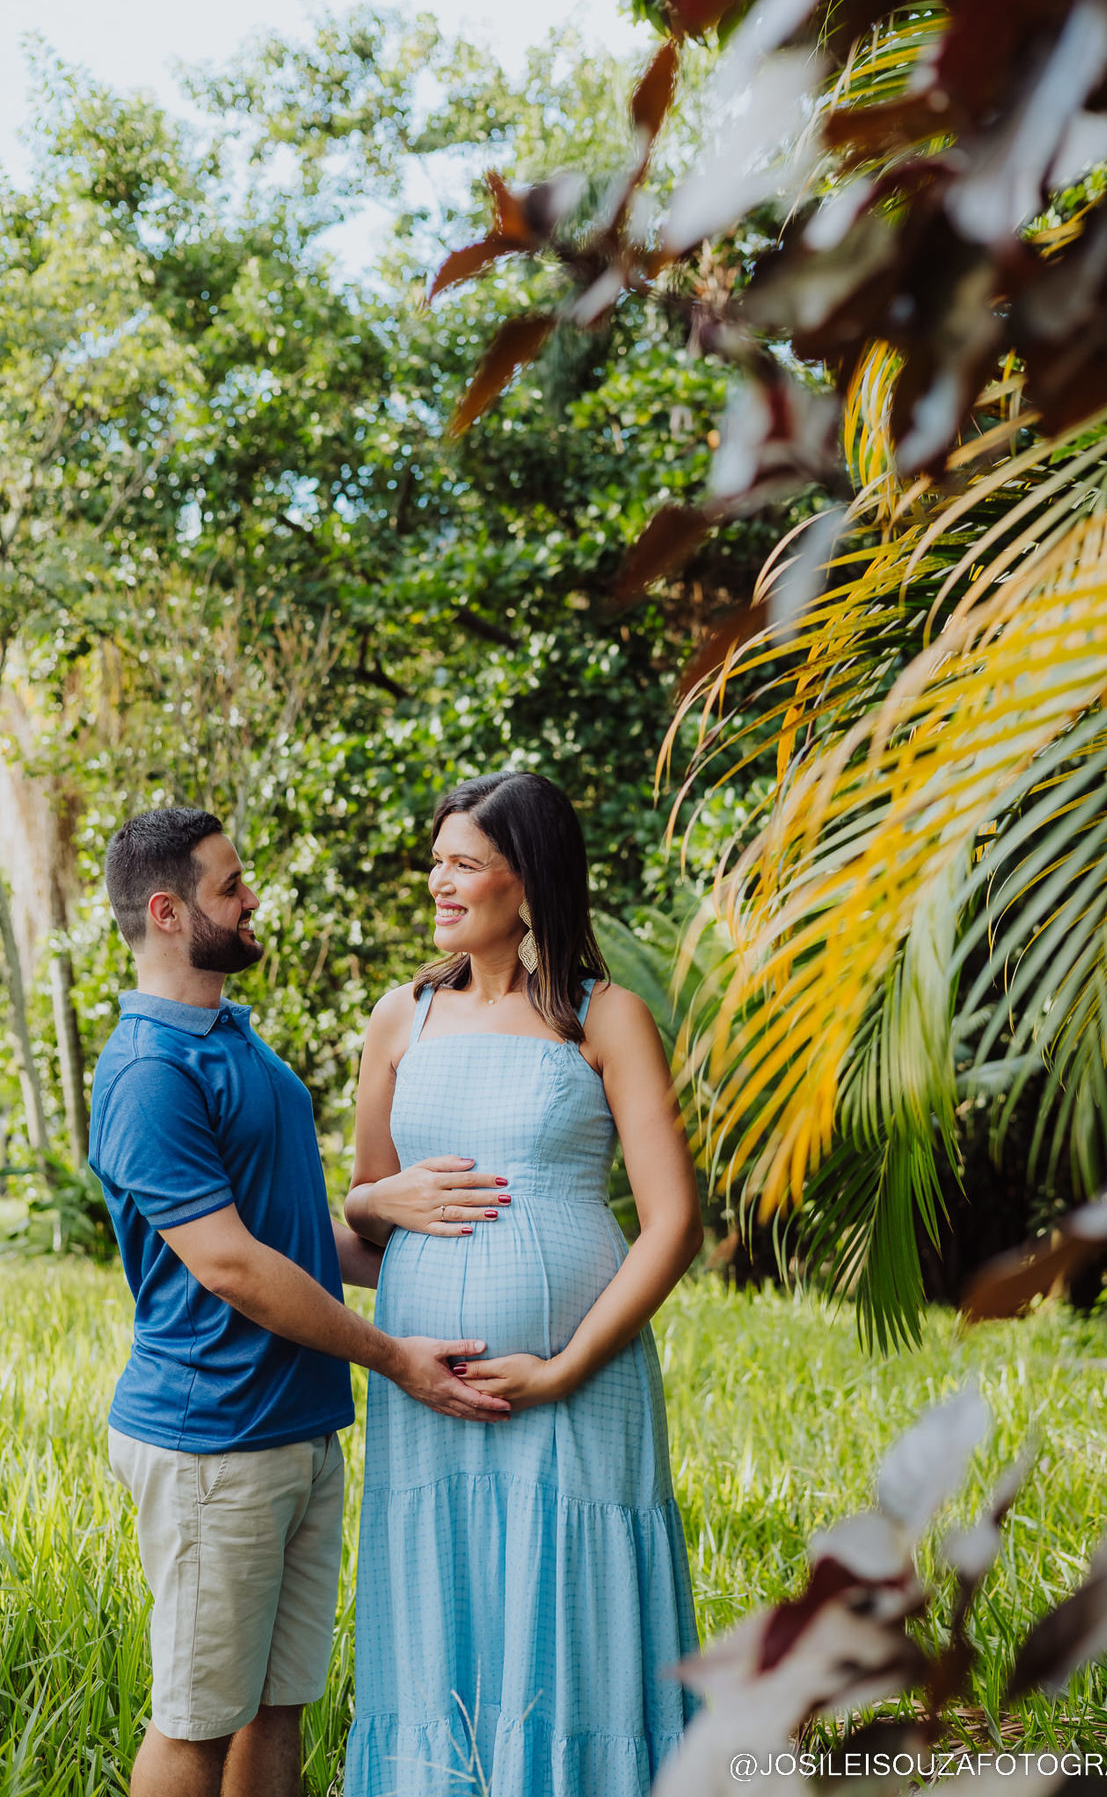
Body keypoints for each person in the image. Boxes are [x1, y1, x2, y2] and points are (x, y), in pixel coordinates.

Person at [90, 807, 509, 1797]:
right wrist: (395, 1354)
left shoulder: (234, 1041)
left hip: (292, 1429)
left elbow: (293, 1239)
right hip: (212, 1442)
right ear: (167, 910)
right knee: (196, 1720)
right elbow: (232, 1266)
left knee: (277, 1707)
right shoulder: (151, 1069)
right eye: (230, 887)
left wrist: (398, 1221)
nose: (251, 899)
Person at [342, 770, 705, 1797]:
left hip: (577, 1392)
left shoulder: (606, 1017)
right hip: (424, 1394)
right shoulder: (399, 1020)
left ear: (530, 883)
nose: (437, 885)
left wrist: (566, 1366)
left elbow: (671, 1223)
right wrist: (378, 1204)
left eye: (462, 864)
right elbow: (366, 1204)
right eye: (435, 863)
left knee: (570, 1617)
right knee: (443, 1608)